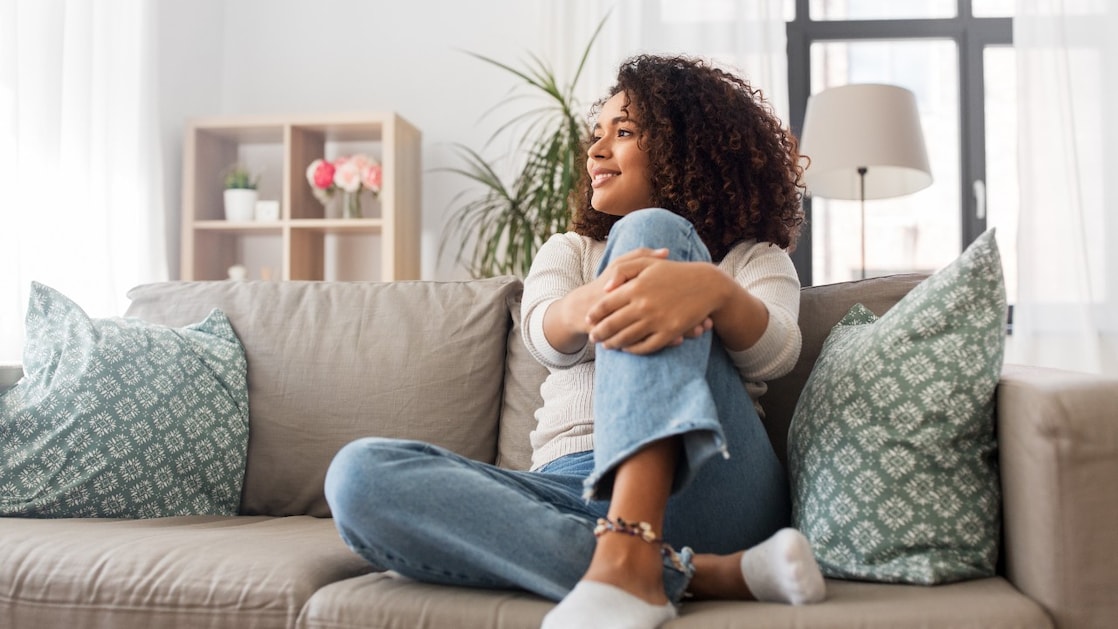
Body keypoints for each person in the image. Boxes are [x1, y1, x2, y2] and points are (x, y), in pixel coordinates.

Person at [324, 54, 825, 629]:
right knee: (358, 476)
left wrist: (712, 291)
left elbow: (776, 353)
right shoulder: (569, 250)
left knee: (650, 230)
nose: (596, 150)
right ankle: (685, 572)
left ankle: (634, 551)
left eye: (624, 131)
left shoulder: (753, 258)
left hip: (711, 481)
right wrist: (599, 300)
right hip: (571, 491)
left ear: (689, 147)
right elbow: (544, 336)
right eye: (597, 134)